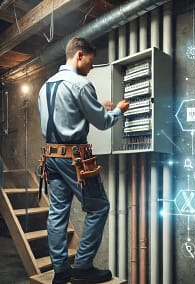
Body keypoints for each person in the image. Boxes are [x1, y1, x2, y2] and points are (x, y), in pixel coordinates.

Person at [38, 37, 129, 284]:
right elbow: (103, 122)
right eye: (90, 61)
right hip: (75, 160)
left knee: (57, 213)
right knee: (99, 207)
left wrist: (97, 105)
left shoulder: (46, 86)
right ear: (79, 55)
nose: (91, 67)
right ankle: (82, 267)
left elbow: (64, 113)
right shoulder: (80, 84)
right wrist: (118, 109)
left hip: (50, 158)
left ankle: (61, 271)